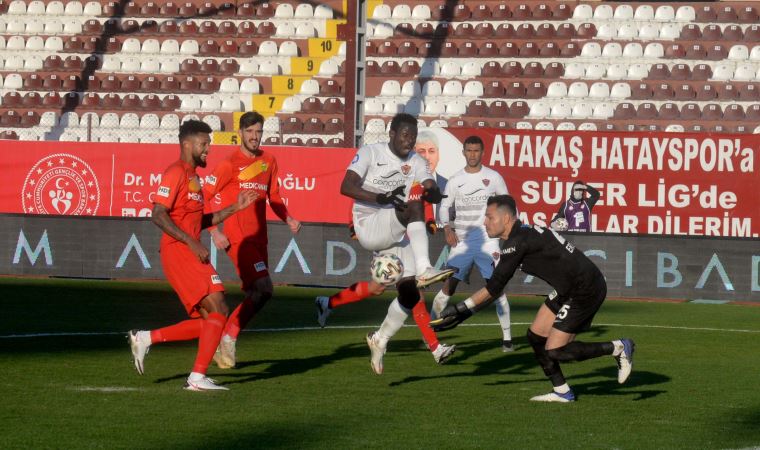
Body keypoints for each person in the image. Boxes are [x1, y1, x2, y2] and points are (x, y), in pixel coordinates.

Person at [431, 195, 635, 402]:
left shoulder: (516, 243)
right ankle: (562, 392)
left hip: (585, 288)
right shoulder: (521, 235)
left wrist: (461, 310)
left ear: (507, 218)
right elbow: (495, 290)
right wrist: (465, 312)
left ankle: (618, 348)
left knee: (556, 350)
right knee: (536, 336)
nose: (485, 221)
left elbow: (494, 287)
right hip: (569, 287)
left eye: (489, 217)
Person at [127, 120, 257, 391]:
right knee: (220, 307)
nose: (208, 148)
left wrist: (235, 207)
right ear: (187, 144)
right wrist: (192, 243)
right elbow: (158, 214)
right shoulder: (175, 172)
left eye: (209, 143)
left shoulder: (193, 177)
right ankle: (196, 378)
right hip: (180, 251)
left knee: (210, 322)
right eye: (204, 143)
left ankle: (147, 338)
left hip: (187, 249)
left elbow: (201, 219)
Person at [341, 112, 457, 374]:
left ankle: (379, 339)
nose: (410, 141)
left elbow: (427, 183)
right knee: (412, 204)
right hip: (369, 221)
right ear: (391, 134)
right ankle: (426, 266)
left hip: (394, 227)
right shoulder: (371, 152)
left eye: (413, 137)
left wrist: (434, 191)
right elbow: (346, 186)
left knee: (409, 292)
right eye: (405, 135)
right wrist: (380, 198)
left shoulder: (417, 160)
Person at [202, 111, 302, 369]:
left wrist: (288, 218)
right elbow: (203, 196)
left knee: (258, 294)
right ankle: (228, 337)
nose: (254, 137)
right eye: (250, 132)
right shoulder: (228, 164)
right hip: (238, 239)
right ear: (240, 133)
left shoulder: (269, 160)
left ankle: (222, 340)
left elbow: (275, 196)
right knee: (265, 288)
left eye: (258, 132)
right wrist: (215, 232)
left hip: (260, 239)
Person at [430, 136, 513, 352]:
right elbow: (444, 206)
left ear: (482, 152)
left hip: (488, 241)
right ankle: (430, 334)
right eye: (469, 150)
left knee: (496, 288)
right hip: (462, 241)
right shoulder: (455, 180)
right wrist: (447, 228)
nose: (472, 154)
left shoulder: (493, 177)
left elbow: (509, 204)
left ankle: (507, 339)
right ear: (463, 152)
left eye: (476, 150)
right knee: (448, 286)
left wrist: (508, 230)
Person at [414, 130, 447, 224]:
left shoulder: (449, 185)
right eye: (421, 151)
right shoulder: (404, 184)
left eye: (431, 151)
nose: (427, 157)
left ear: (438, 155)